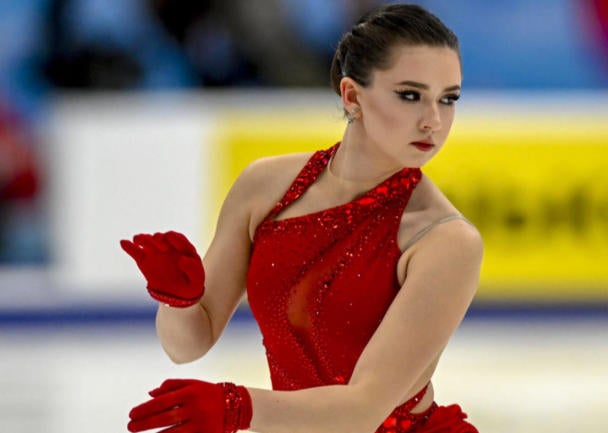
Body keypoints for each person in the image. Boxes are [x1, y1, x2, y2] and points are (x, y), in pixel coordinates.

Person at [120, 4, 482, 433]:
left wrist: (236, 406)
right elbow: (188, 344)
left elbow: (363, 408)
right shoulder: (264, 187)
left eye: (449, 99)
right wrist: (177, 301)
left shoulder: (443, 240)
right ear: (352, 96)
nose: (434, 121)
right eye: (410, 95)